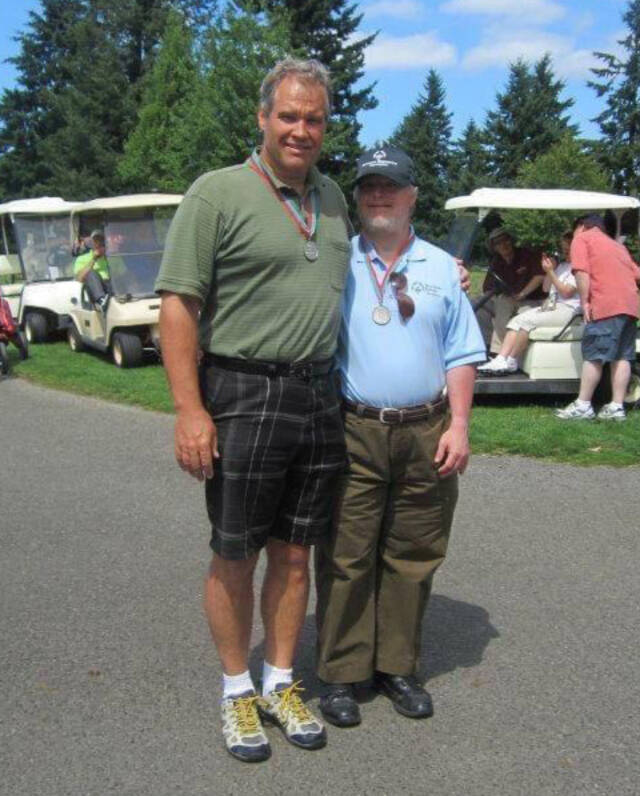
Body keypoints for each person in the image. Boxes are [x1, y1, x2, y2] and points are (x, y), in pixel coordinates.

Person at [155, 58, 352, 763]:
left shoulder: (332, 198)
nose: (302, 129)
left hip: (316, 393)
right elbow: (178, 305)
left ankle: (280, 680)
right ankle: (237, 690)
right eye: (290, 115)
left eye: (315, 119)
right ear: (263, 117)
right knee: (235, 551)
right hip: (241, 391)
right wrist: (189, 409)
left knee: (295, 552)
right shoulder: (218, 194)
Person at [314, 146, 486, 727]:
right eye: (368, 188)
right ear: (358, 198)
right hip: (355, 427)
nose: (378, 197)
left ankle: (397, 667)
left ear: (413, 195)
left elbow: (463, 352)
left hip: (429, 429)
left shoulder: (442, 266)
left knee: (413, 553)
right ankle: (341, 673)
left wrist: (460, 425)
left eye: (390, 186)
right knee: (346, 552)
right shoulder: (335, 262)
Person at [555, 214, 640, 421]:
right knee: (622, 356)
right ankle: (616, 407)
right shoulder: (617, 246)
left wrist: (585, 301)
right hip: (630, 307)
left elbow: (581, 272)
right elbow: (637, 274)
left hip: (605, 304)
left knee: (595, 354)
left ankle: (583, 404)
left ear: (582, 226)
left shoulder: (582, 239)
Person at [479, 231, 580, 374]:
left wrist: (550, 272)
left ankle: (512, 361)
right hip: (554, 306)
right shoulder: (563, 266)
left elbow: (566, 292)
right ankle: (501, 358)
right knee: (516, 321)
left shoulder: (579, 268)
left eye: (568, 250)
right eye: (563, 250)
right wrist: (551, 270)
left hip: (570, 309)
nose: (565, 253)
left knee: (526, 321)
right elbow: (546, 287)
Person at [482, 227, 545, 355]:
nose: (503, 245)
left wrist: (522, 294)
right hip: (510, 298)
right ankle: (497, 353)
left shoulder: (527, 255)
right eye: (498, 243)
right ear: (494, 247)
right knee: (499, 307)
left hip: (533, 299)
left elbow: (539, 276)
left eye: (506, 240)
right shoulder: (496, 263)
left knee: (522, 316)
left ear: (511, 241)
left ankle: (511, 355)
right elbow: (487, 287)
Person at [73, 230, 110, 312]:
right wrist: (94, 259)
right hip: (94, 290)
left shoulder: (112, 257)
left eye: (101, 242)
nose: (99, 244)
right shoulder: (82, 259)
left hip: (111, 286)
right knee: (90, 273)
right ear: (92, 243)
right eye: (96, 241)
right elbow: (79, 278)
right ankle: (101, 300)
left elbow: (125, 275)